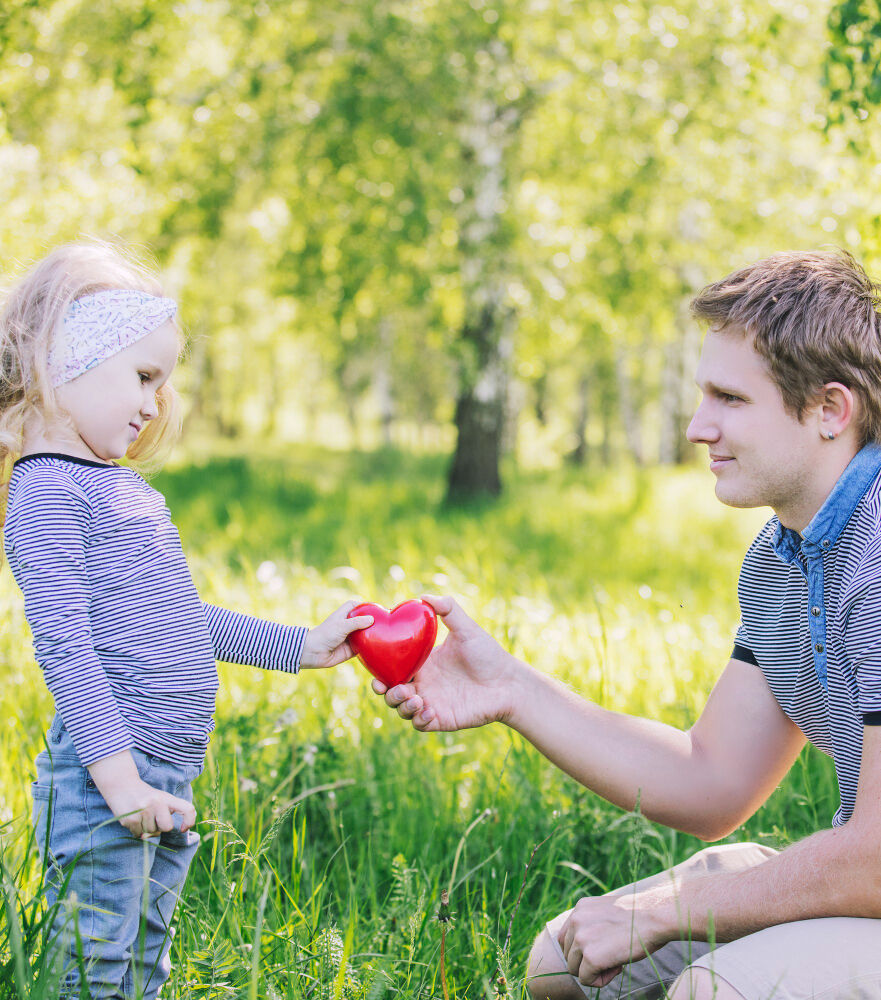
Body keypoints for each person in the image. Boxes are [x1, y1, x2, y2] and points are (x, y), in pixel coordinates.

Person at [375, 250, 881, 999]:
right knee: (562, 967)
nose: (696, 426)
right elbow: (711, 781)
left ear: (828, 411)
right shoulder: (780, 559)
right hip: (858, 876)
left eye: (729, 400)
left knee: (713, 992)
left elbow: (873, 859)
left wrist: (672, 911)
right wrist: (511, 689)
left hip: (865, 874)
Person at [0, 240, 373, 1000]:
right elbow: (65, 649)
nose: (152, 404)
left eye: (161, 385)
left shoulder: (117, 488)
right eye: (143, 377)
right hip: (106, 779)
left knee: (144, 963)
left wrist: (298, 646)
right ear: (66, 360)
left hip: (164, 771)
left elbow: (173, 616)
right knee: (96, 968)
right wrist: (118, 783)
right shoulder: (47, 494)